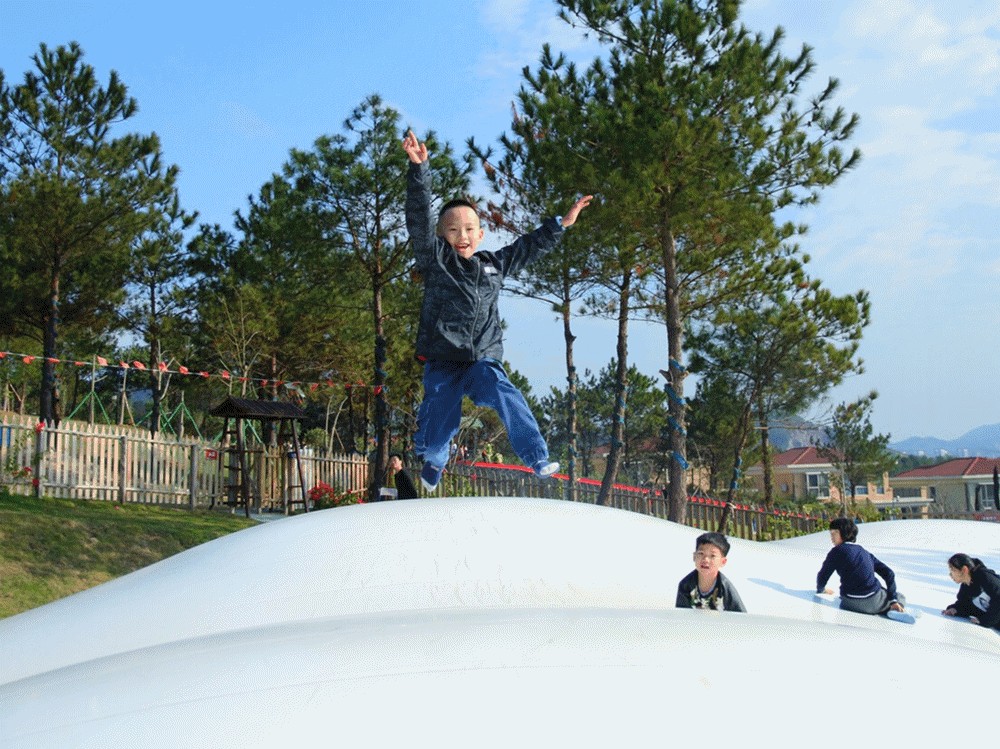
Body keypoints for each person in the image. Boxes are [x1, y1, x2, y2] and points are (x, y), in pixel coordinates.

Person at [402, 129, 593, 492]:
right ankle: (435, 457)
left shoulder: (494, 265)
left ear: (481, 234)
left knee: (504, 391)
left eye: (470, 228)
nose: (463, 235)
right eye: (454, 230)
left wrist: (560, 225)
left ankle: (536, 455)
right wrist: (420, 170)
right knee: (441, 415)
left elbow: (527, 247)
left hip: (481, 359)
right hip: (443, 359)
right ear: (442, 236)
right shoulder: (436, 260)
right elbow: (417, 218)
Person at [816, 517, 912, 621]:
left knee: (881, 593)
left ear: (843, 533)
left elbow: (823, 575)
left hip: (848, 602)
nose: (832, 537)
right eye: (831, 534)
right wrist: (893, 599)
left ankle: (887, 607)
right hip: (872, 601)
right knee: (900, 597)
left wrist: (821, 589)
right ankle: (892, 608)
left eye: (834, 533)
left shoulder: (834, 552)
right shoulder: (865, 553)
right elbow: (889, 573)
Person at [676, 532, 747, 612]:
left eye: (712, 556)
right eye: (701, 553)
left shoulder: (725, 587)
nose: (705, 559)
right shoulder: (686, 585)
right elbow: (681, 616)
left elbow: (742, 617)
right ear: (694, 557)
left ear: (723, 562)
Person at [942, 553, 1000, 630]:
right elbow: (967, 605)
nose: (950, 574)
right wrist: (956, 609)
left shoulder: (984, 577)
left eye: (953, 570)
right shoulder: (967, 586)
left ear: (964, 569)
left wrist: (985, 621)